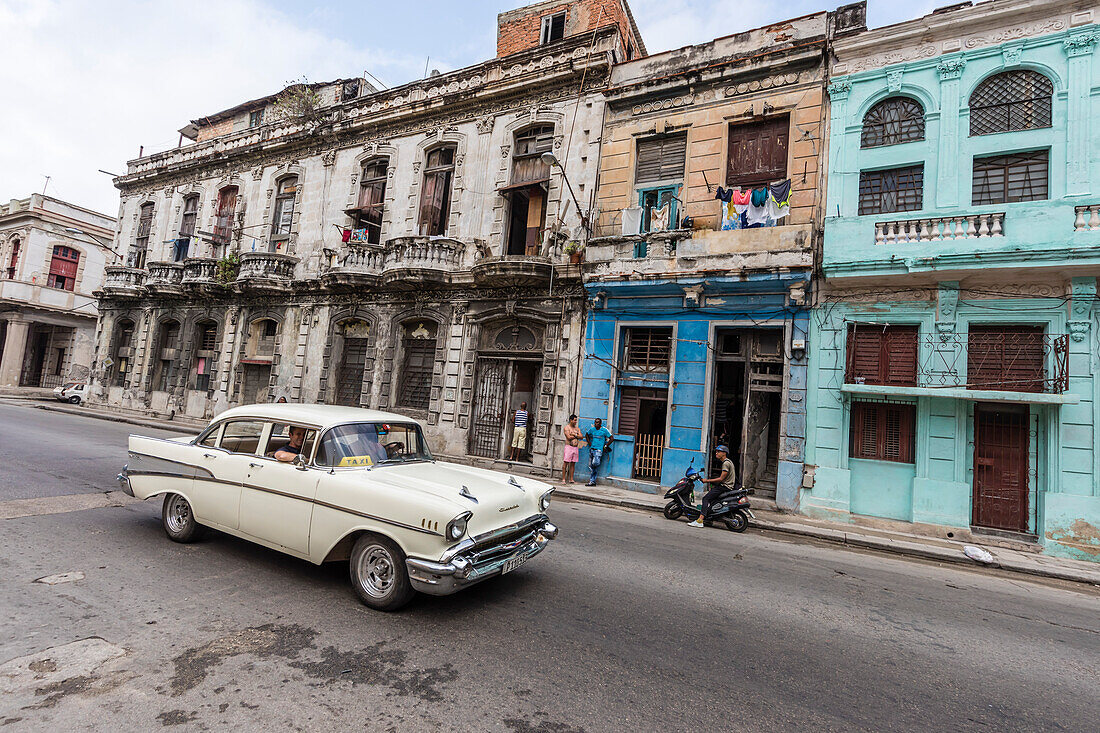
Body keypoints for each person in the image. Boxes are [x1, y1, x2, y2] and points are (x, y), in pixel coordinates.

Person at [688, 445, 738, 528]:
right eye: (716, 451)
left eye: (719, 451)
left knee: (705, 498)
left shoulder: (726, 463)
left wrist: (706, 481)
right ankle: (708, 520)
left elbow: (721, 479)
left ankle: (700, 520)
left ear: (724, 453)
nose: (716, 453)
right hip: (726, 486)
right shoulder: (728, 462)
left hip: (724, 487)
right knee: (712, 501)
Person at [584, 418, 614, 486]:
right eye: (595, 422)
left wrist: (606, 445)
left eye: (597, 422)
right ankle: (592, 481)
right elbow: (587, 435)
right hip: (592, 449)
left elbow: (612, 438)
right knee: (590, 466)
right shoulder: (592, 429)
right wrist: (589, 443)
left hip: (599, 450)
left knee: (595, 463)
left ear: (600, 423)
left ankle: (592, 480)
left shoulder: (604, 430)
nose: (596, 424)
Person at [562, 414, 582, 483]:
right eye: (575, 420)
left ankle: (571, 479)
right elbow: (568, 437)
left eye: (576, 420)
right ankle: (563, 479)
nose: (576, 422)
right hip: (569, 447)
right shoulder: (567, 428)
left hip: (575, 448)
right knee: (566, 463)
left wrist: (574, 434)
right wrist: (577, 435)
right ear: (571, 420)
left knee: (573, 464)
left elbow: (581, 437)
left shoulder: (577, 429)